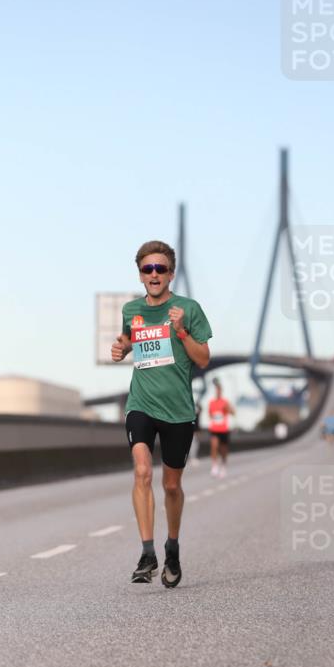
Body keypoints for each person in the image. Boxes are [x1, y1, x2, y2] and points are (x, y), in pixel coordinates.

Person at [111, 240, 212, 587]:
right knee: (142, 472)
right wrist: (121, 348)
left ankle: (172, 547)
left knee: (171, 485)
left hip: (179, 411)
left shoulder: (188, 308)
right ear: (140, 274)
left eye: (160, 268)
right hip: (140, 403)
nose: (154, 274)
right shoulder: (131, 310)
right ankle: (147, 553)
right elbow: (128, 341)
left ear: (171, 273)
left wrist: (181, 330)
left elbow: (203, 359)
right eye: (147, 269)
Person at [208, 378, 235, 477]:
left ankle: (223, 465)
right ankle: (214, 466)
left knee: (223, 450)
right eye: (216, 390)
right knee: (214, 446)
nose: (218, 392)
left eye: (219, 390)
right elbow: (210, 415)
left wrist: (228, 409)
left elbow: (233, 413)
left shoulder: (225, 402)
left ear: (221, 391)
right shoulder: (211, 403)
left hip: (224, 429)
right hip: (214, 429)